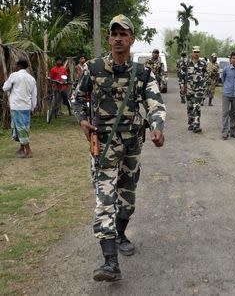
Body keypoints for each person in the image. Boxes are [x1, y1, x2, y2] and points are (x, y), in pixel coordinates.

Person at [73, 14, 166, 282]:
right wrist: (82, 120)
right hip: (103, 147)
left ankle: (122, 233)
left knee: (127, 197)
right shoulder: (93, 68)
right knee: (105, 200)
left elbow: (155, 103)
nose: (117, 38)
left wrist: (158, 126)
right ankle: (110, 262)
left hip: (132, 146)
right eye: (114, 34)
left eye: (123, 34)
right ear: (109, 37)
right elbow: (77, 98)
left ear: (131, 39)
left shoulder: (142, 72)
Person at [2, 59, 37, 158]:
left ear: (19, 66)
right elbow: (34, 94)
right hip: (27, 106)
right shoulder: (31, 78)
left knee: (21, 128)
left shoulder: (14, 75)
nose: (14, 67)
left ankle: (28, 151)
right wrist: (33, 107)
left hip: (17, 106)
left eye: (16, 65)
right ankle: (22, 148)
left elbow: (5, 88)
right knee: (23, 127)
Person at [179, 46, 208, 133]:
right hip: (189, 88)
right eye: (195, 52)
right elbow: (182, 75)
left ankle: (196, 124)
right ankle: (191, 123)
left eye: (198, 52)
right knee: (190, 106)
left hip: (199, 88)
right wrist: (182, 86)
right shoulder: (186, 62)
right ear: (192, 52)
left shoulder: (203, 63)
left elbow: (206, 75)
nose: (196, 53)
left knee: (197, 106)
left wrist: (204, 87)